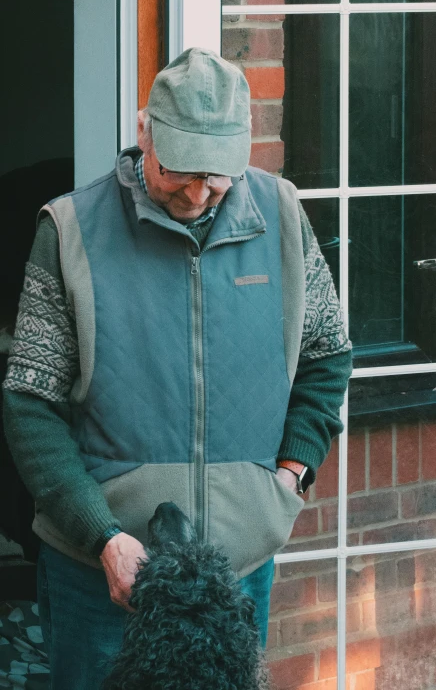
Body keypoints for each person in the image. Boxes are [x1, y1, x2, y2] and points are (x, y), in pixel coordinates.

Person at [2, 47, 352, 689]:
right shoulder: (72, 230)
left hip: (237, 570)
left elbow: (326, 357)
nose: (195, 193)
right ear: (145, 135)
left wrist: (289, 476)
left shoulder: (280, 217)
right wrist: (101, 535)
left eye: (216, 177)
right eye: (178, 172)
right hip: (102, 575)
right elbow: (31, 405)